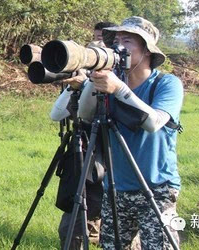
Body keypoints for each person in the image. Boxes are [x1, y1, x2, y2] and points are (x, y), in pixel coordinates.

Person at [77, 17, 183, 249]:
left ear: (146, 50)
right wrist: (94, 78)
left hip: (157, 188)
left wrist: (119, 89)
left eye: (127, 40)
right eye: (115, 40)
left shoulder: (166, 84)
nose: (118, 46)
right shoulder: (110, 84)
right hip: (116, 188)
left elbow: (154, 122)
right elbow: (84, 113)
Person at [49, 21, 116, 249]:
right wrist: (75, 86)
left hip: (111, 159)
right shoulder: (84, 80)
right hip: (84, 159)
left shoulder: (120, 82)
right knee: (72, 228)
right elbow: (56, 115)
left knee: (118, 230)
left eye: (102, 44)